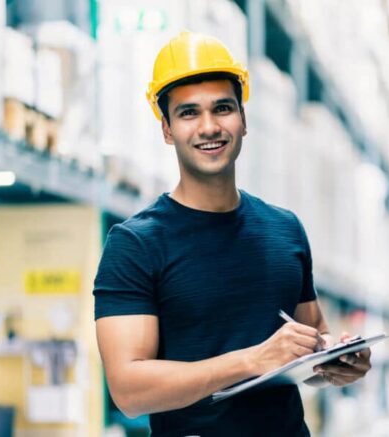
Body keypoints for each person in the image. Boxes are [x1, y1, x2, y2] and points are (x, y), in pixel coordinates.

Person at [93, 31, 372, 437]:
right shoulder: (136, 244)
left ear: (243, 120)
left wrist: (336, 362)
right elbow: (130, 390)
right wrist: (252, 360)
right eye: (188, 113)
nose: (209, 127)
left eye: (222, 108)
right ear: (167, 130)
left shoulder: (285, 230)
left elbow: (311, 342)